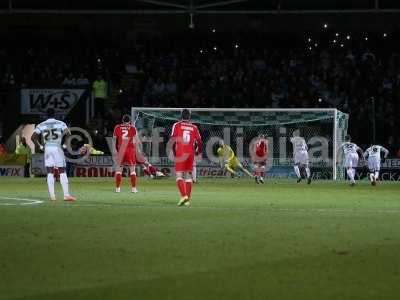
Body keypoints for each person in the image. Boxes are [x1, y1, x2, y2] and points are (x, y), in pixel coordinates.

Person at [31, 108, 76, 201]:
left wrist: (40, 147)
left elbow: (33, 137)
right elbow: (69, 134)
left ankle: (52, 196)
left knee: (49, 172)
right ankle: (66, 195)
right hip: (57, 147)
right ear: (55, 115)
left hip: (47, 148)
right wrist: (64, 145)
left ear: (46, 115)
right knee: (62, 171)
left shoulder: (41, 124)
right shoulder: (60, 123)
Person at [170, 109, 202, 206]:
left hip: (180, 153)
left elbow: (172, 140)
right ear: (190, 116)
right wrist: (198, 152)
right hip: (190, 154)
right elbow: (200, 142)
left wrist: (175, 153)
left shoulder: (177, 125)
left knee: (179, 176)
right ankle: (187, 200)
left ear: (181, 116)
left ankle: (184, 196)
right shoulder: (194, 127)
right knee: (188, 177)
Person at [113, 114, 139, 193]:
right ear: (130, 121)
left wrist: (114, 149)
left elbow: (114, 139)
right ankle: (133, 189)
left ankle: (117, 189)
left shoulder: (117, 127)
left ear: (122, 120)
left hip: (121, 149)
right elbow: (135, 140)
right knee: (132, 169)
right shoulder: (132, 128)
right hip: (130, 150)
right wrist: (136, 150)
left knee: (119, 170)